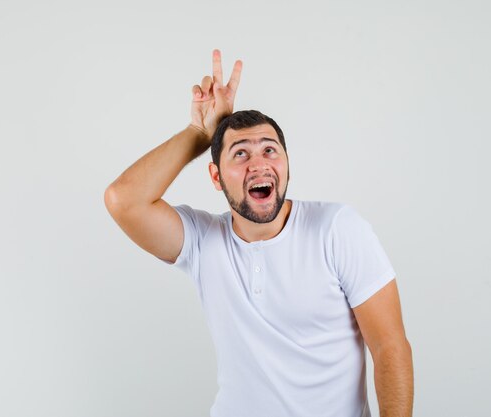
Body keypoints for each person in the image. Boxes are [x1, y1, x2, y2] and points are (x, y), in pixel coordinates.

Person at [104, 49, 413, 417]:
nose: (259, 163)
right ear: (216, 177)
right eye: (240, 154)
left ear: (286, 165)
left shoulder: (337, 229)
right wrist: (199, 133)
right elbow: (123, 200)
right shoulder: (203, 242)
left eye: (270, 150)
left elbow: (389, 347)